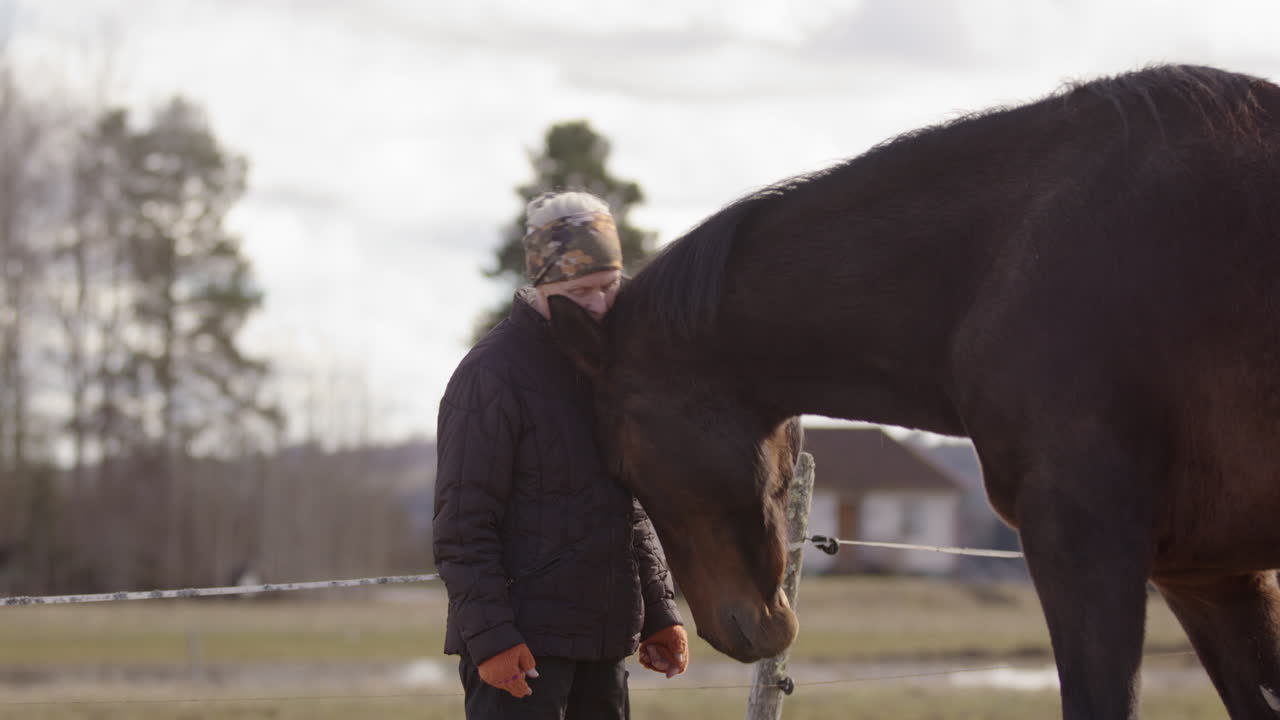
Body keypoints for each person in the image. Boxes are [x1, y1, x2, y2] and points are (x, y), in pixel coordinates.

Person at [433, 190, 689, 719]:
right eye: (580, 290)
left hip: (603, 647)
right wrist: (494, 640)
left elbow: (626, 505)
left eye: (609, 286)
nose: (598, 303)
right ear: (543, 284)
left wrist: (660, 612)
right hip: (521, 656)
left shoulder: (611, 371)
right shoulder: (490, 375)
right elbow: (462, 526)